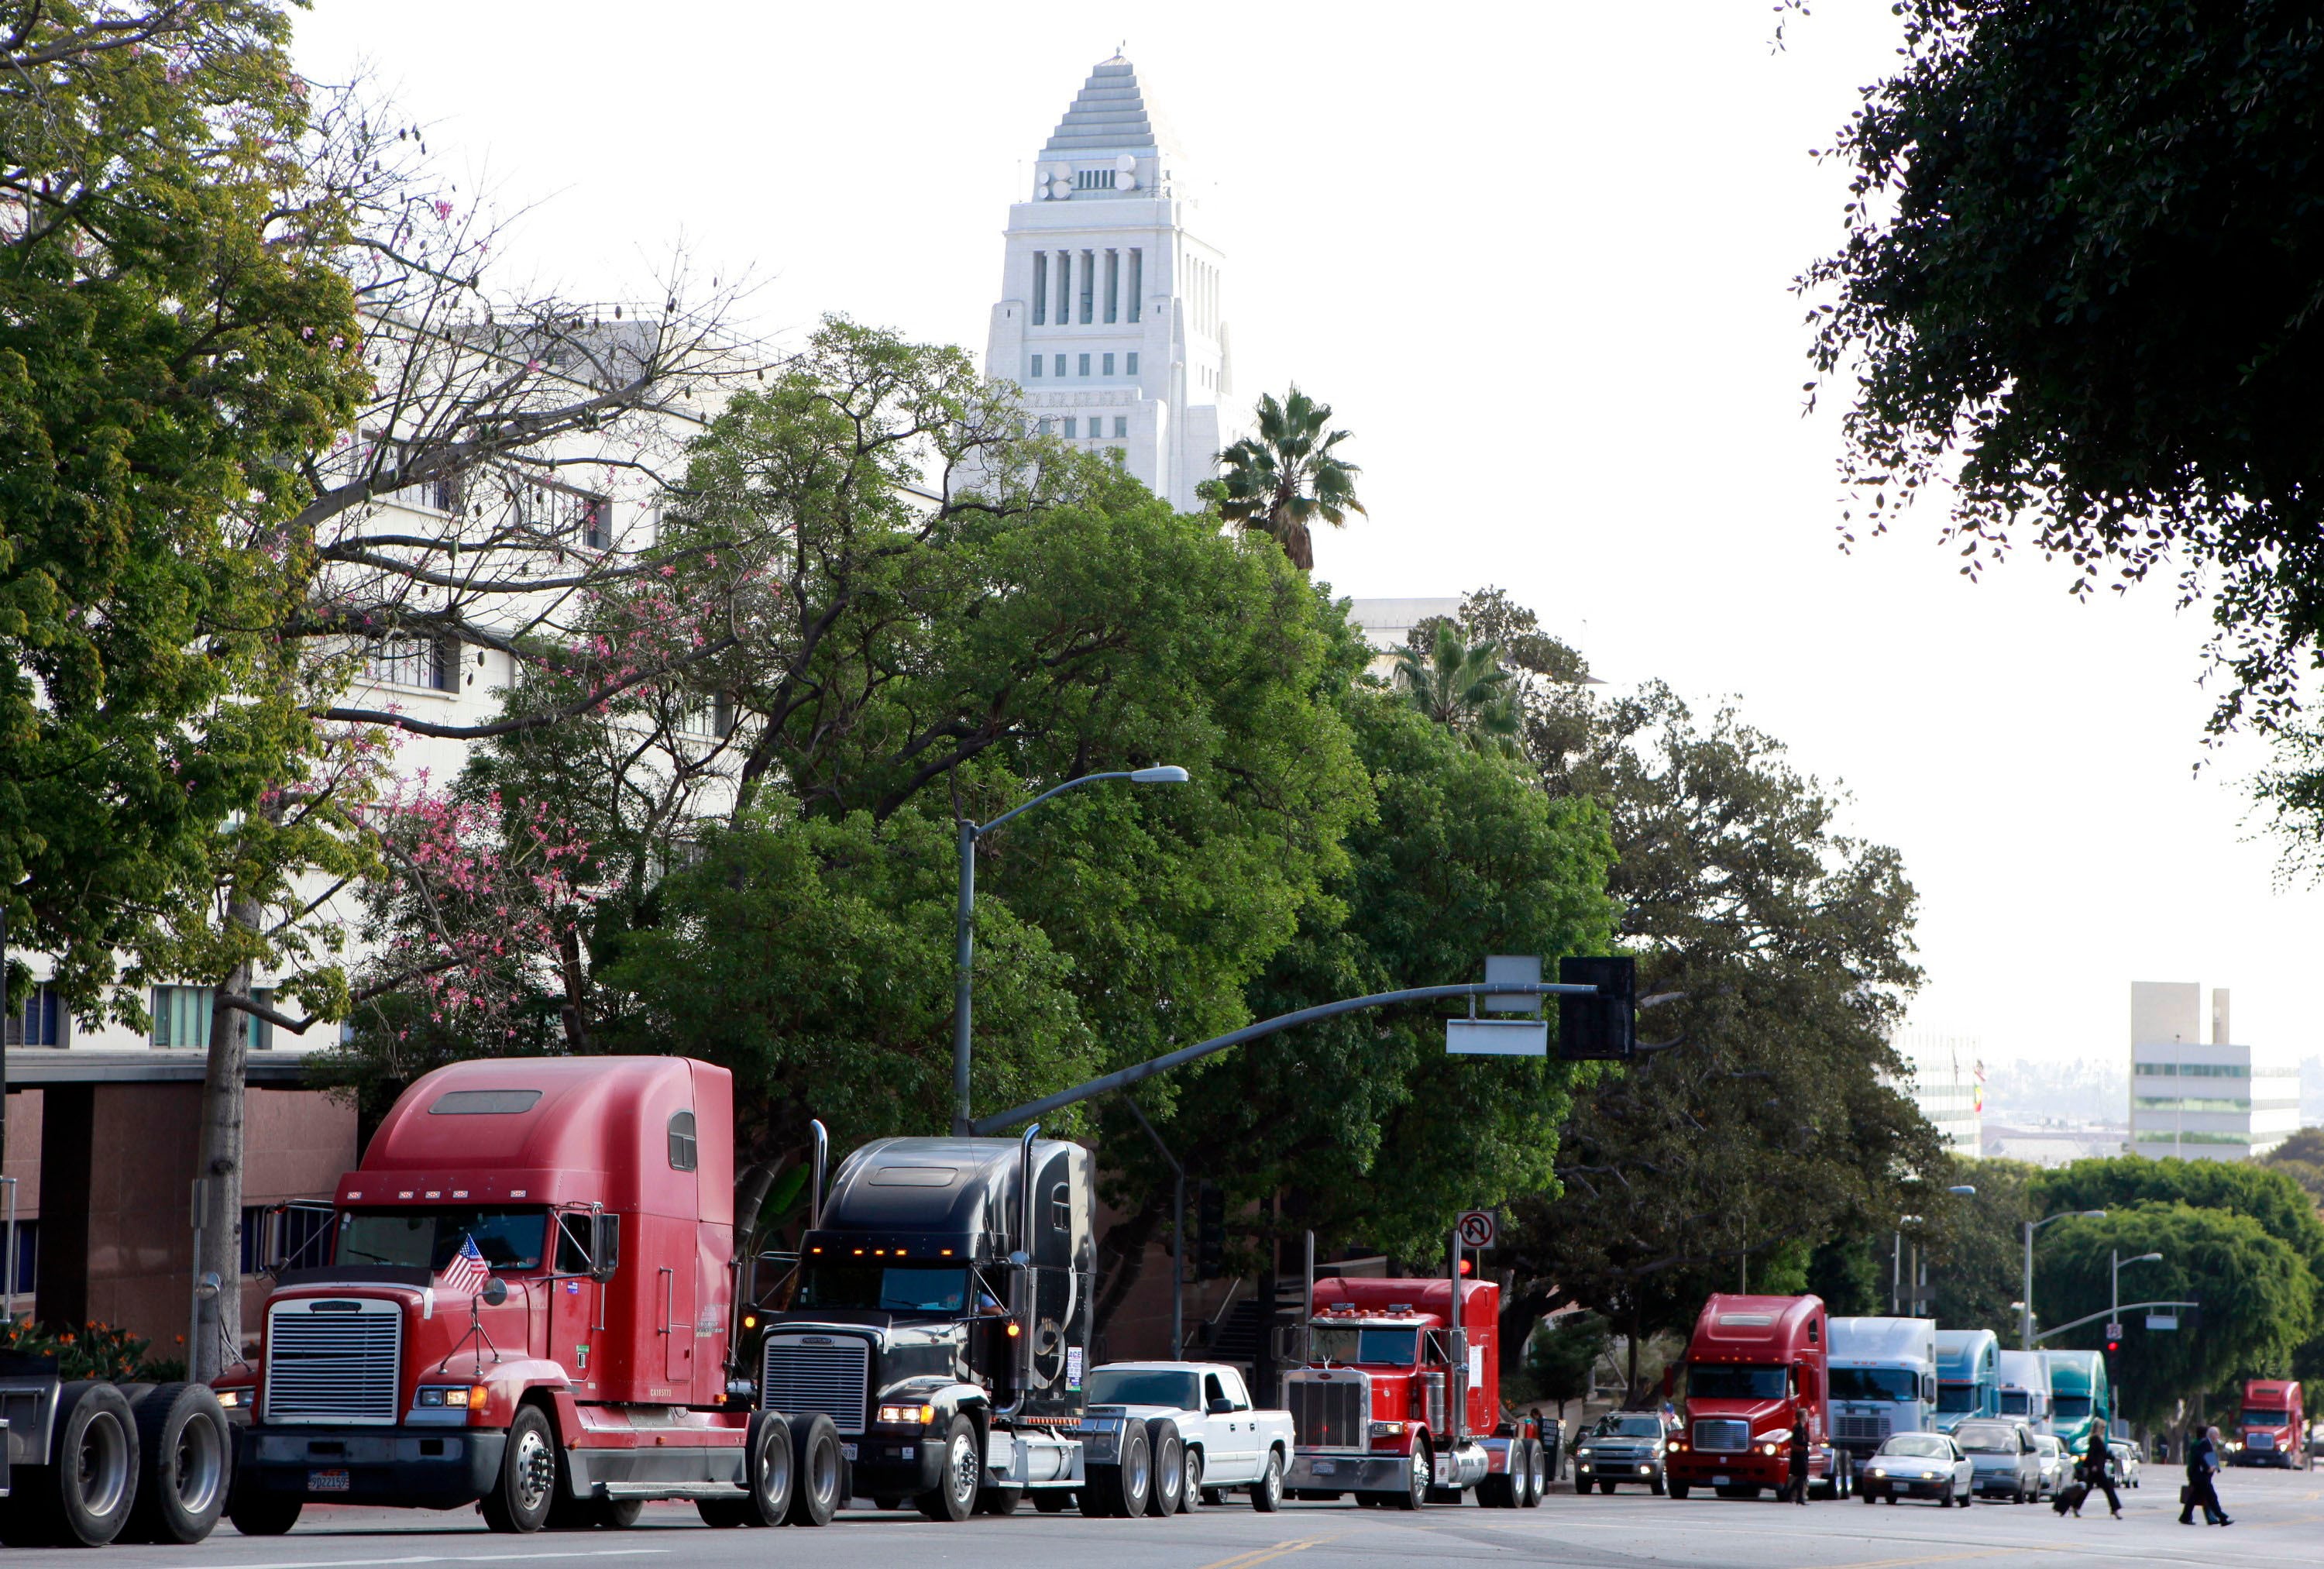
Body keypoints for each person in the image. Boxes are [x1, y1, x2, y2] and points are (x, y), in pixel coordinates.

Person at [2181, 1423, 2231, 1526]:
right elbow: (2200, 1457)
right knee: (2212, 1497)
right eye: (2217, 1435)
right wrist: (2208, 1467)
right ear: (2213, 1435)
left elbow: (2210, 1457)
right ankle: (2222, 1517)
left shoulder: (2209, 1444)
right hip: (2201, 1477)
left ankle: (2185, 1517)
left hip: (2201, 1476)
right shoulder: (2205, 1443)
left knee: (2194, 1497)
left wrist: (2216, 1467)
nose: (2218, 1437)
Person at [2073, 1425, 2122, 1518]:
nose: (2104, 1430)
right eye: (2102, 1428)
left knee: (2087, 1489)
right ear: (2098, 1428)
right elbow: (2092, 1453)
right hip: (2097, 1469)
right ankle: (2115, 1510)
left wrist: (2113, 1457)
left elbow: (2103, 1454)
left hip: (2097, 1469)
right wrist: (2094, 1465)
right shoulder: (2095, 1439)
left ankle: (2075, 1506)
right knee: (2108, 1489)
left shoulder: (2098, 1439)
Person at [1789, 1413, 1811, 1505]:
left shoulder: (1802, 1428)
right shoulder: (1798, 1428)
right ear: (1802, 1417)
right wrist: (1807, 1444)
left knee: (1802, 1476)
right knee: (1802, 1475)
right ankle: (1789, 1493)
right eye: (1806, 1415)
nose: (1807, 1417)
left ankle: (1799, 1498)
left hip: (1802, 1454)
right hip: (1799, 1455)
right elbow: (1797, 1441)